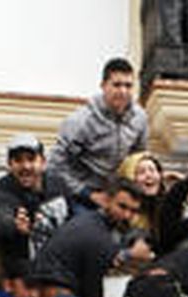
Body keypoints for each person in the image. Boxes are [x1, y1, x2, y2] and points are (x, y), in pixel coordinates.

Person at [53, 58, 149, 203]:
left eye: (128, 86)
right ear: (103, 86)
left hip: (119, 194)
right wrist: (88, 194)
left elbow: (138, 158)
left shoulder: (140, 118)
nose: (123, 91)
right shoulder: (80, 122)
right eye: (116, 85)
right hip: (83, 193)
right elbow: (56, 167)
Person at [0, 133, 73, 280]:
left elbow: (74, 219)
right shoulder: (4, 187)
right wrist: (13, 224)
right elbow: (1, 216)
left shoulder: (59, 185)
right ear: (10, 164)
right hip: (23, 276)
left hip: (60, 270)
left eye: (31, 159)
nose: (26, 166)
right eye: (18, 160)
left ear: (43, 161)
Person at [117, 151, 165, 237]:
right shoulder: (119, 216)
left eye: (152, 170)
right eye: (141, 172)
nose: (149, 175)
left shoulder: (165, 207)